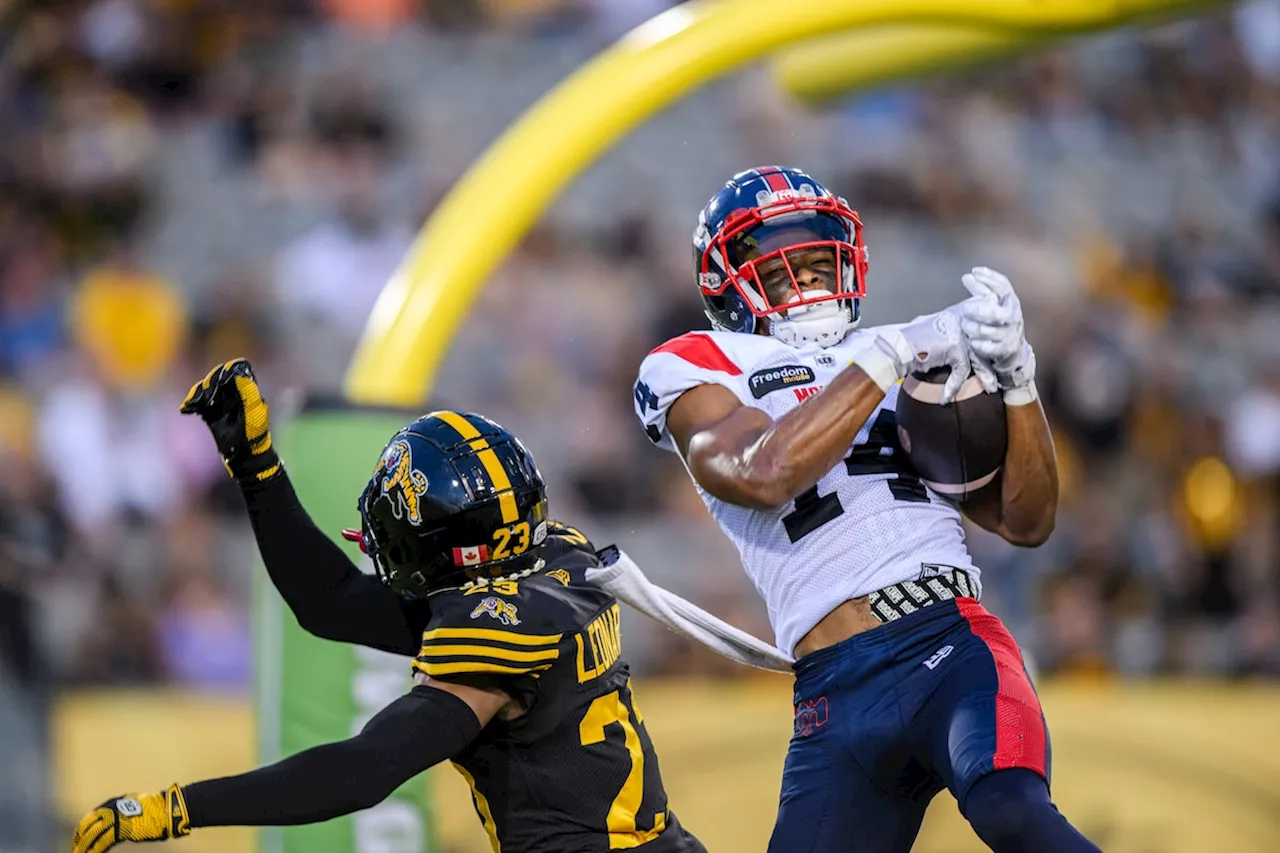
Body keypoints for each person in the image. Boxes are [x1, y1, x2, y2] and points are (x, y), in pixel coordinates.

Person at [633, 166, 1100, 853]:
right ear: (727, 283)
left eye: (821, 264)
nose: (809, 283)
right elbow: (763, 472)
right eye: (784, 270)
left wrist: (1017, 380)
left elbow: (1027, 520)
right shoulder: (699, 362)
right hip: (834, 688)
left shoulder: (913, 345)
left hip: (948, 636)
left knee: (1011, 808)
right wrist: (888, 357)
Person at [72, 359, 706, 853]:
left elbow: (365, 770)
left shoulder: (492, 636)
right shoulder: (559, 559)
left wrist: (181, 807)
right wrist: (257, 465)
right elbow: (333, 603)